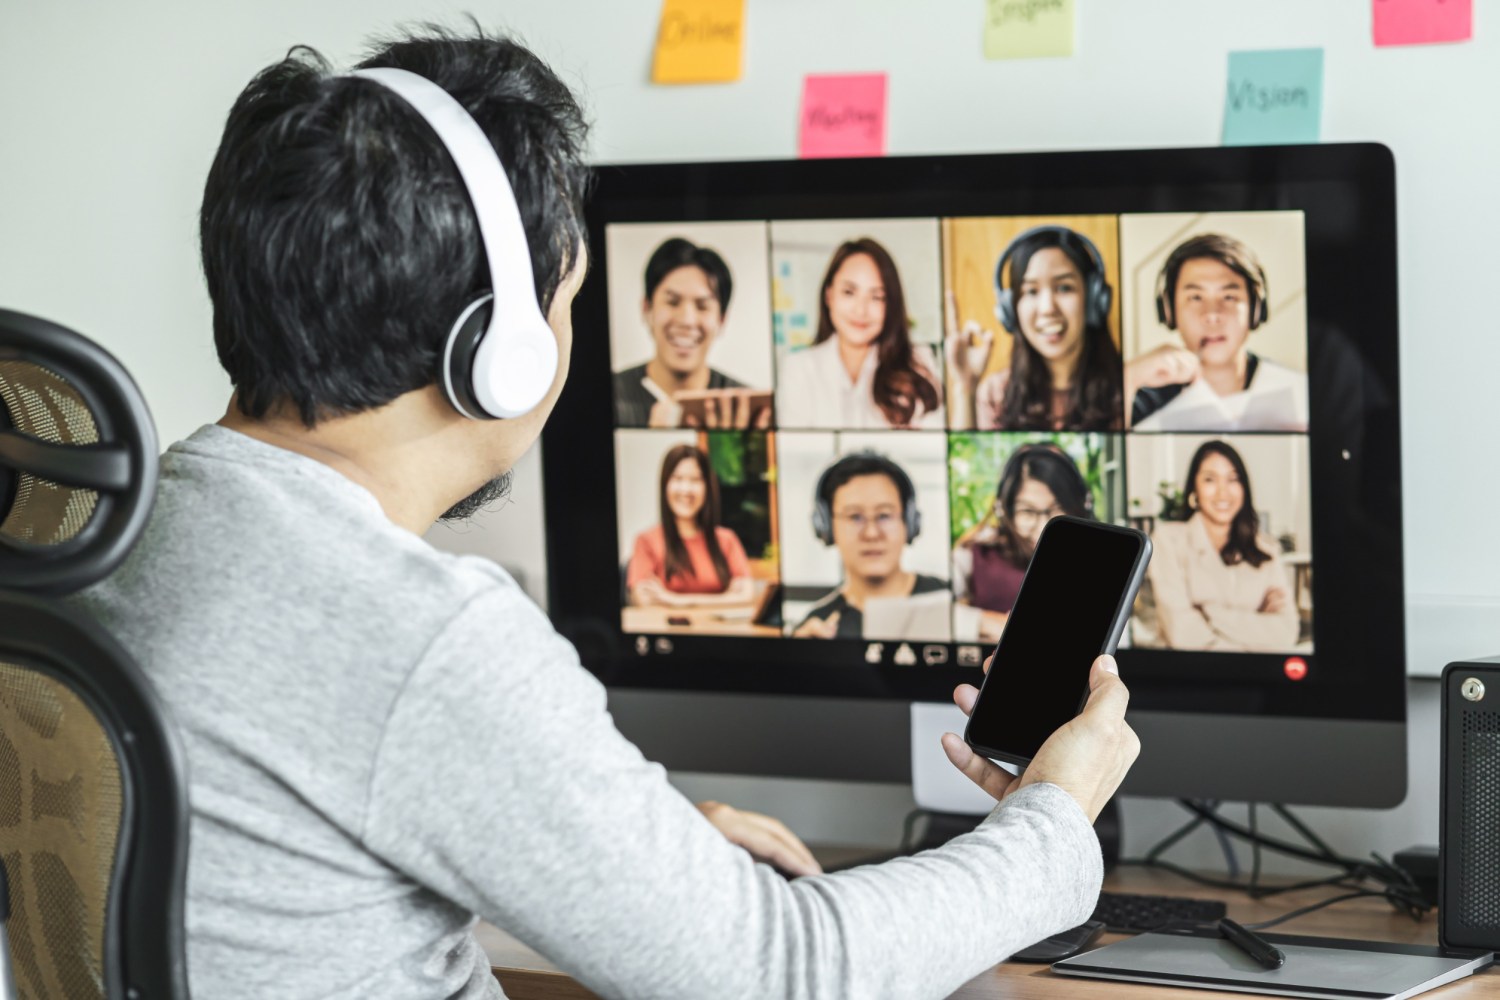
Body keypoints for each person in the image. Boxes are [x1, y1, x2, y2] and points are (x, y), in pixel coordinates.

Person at [73, 28, 1139, 999]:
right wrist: (1053, 820)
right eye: (570, 299)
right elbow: (783, 973)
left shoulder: (123, 532)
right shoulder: (419, 638)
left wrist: (639, 851)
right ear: (500, 350)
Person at [947, 225, 1123, 431]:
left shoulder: (1127, 386)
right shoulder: (996, 394)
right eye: (1031, 291)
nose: (1047, 308)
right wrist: (966, 388)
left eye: (1064, 287)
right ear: (1010, 310)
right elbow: (965, 461)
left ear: (1094, 299)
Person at [1126, 233, 1308, 432]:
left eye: (1229, 297)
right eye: (1196, 297)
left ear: (1255, 309)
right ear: (1169, 311)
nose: (1212, 315)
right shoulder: (1138, 397)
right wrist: (1129, 377)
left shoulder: (1299, 391)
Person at [1145, 440, 1300, 651]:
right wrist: (1255, 630)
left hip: (1255, 678)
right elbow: (1181, 634)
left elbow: (1286, 632)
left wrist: (1208, 612)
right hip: (1184, 676)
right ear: (1194, 490)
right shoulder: (1168, 540)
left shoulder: (1266, 548)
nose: (1222, 492)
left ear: (1244, 488)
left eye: (1233, 479)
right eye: (1210, 479)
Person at [776, 237, 944, 429]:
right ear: (829, 295)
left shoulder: (918, 362)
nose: (861, 310)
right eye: (849, 292)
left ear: (890, 305)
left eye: (876, 297)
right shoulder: (799, 368)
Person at [612, 237, 770, 429]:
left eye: (702, 306)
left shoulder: (744, 407)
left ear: (721, 320)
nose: (687, 320)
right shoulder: (611, 394)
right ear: (647, 309)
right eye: (672, 302)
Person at [794, 452, 949, 639]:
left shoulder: (952, 601)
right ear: (826, 526)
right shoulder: (815, 626)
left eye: (884, 515)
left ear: (909, 521)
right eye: (854, 517)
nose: (871, 533)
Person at [953, 442, 1093, 643]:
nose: (1044, 526)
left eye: (1058, 508)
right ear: (1004, 511)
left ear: (1082, 505)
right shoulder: (975, 551)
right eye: (1028, 511)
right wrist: (986, 623)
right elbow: (933, 613)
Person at [627, 443, 754, 607]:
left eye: (695, 479)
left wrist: (677, 600)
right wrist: (724, 599)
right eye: (678, 478)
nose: (686, 489)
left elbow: (747, 595)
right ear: (665, 484)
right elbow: (645, 602)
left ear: (707, 487)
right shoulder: (646, 541)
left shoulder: (726, 539)